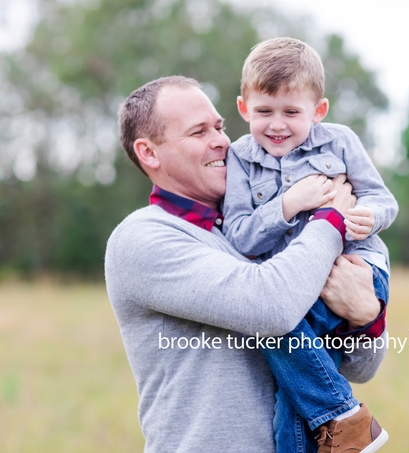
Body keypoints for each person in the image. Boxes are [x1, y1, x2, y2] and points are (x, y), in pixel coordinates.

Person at [105, 75, 388, 453]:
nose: (222, 140)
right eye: (199, 132)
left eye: (219, 126)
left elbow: (360, 369)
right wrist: (331, 218)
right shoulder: (143, 239)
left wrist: (368, 315)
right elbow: (271, 308)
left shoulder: (267, 233)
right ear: (150, 153)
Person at [223, 37, 396, 453]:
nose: (276, 124)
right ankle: (347, 421)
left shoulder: (339, 141)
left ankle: (346, 415)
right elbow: (238, 233)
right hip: (295, 288)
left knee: (271, 325)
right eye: (264, 111)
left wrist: (368, 216)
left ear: (318, 112)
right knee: (291, 400)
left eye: (291, 112)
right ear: (244, 108)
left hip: (354, 270)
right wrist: (288, 204)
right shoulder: (240, 158)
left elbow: (382, 199)